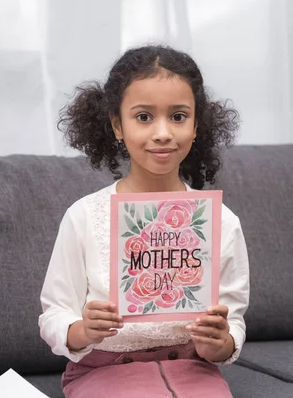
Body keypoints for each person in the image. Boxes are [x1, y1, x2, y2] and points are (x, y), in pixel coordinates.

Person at [38, 44, 250, 398]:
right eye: (144, 117)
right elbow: (54, 314)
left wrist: (221, 343)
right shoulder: (84, 216)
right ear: (117, 125)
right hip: (101, 372)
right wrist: (83, 330)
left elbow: (234, 321)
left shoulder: (221, 222)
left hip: (194, 371)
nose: (163, 132)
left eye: (179, 116)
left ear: (197, 125)